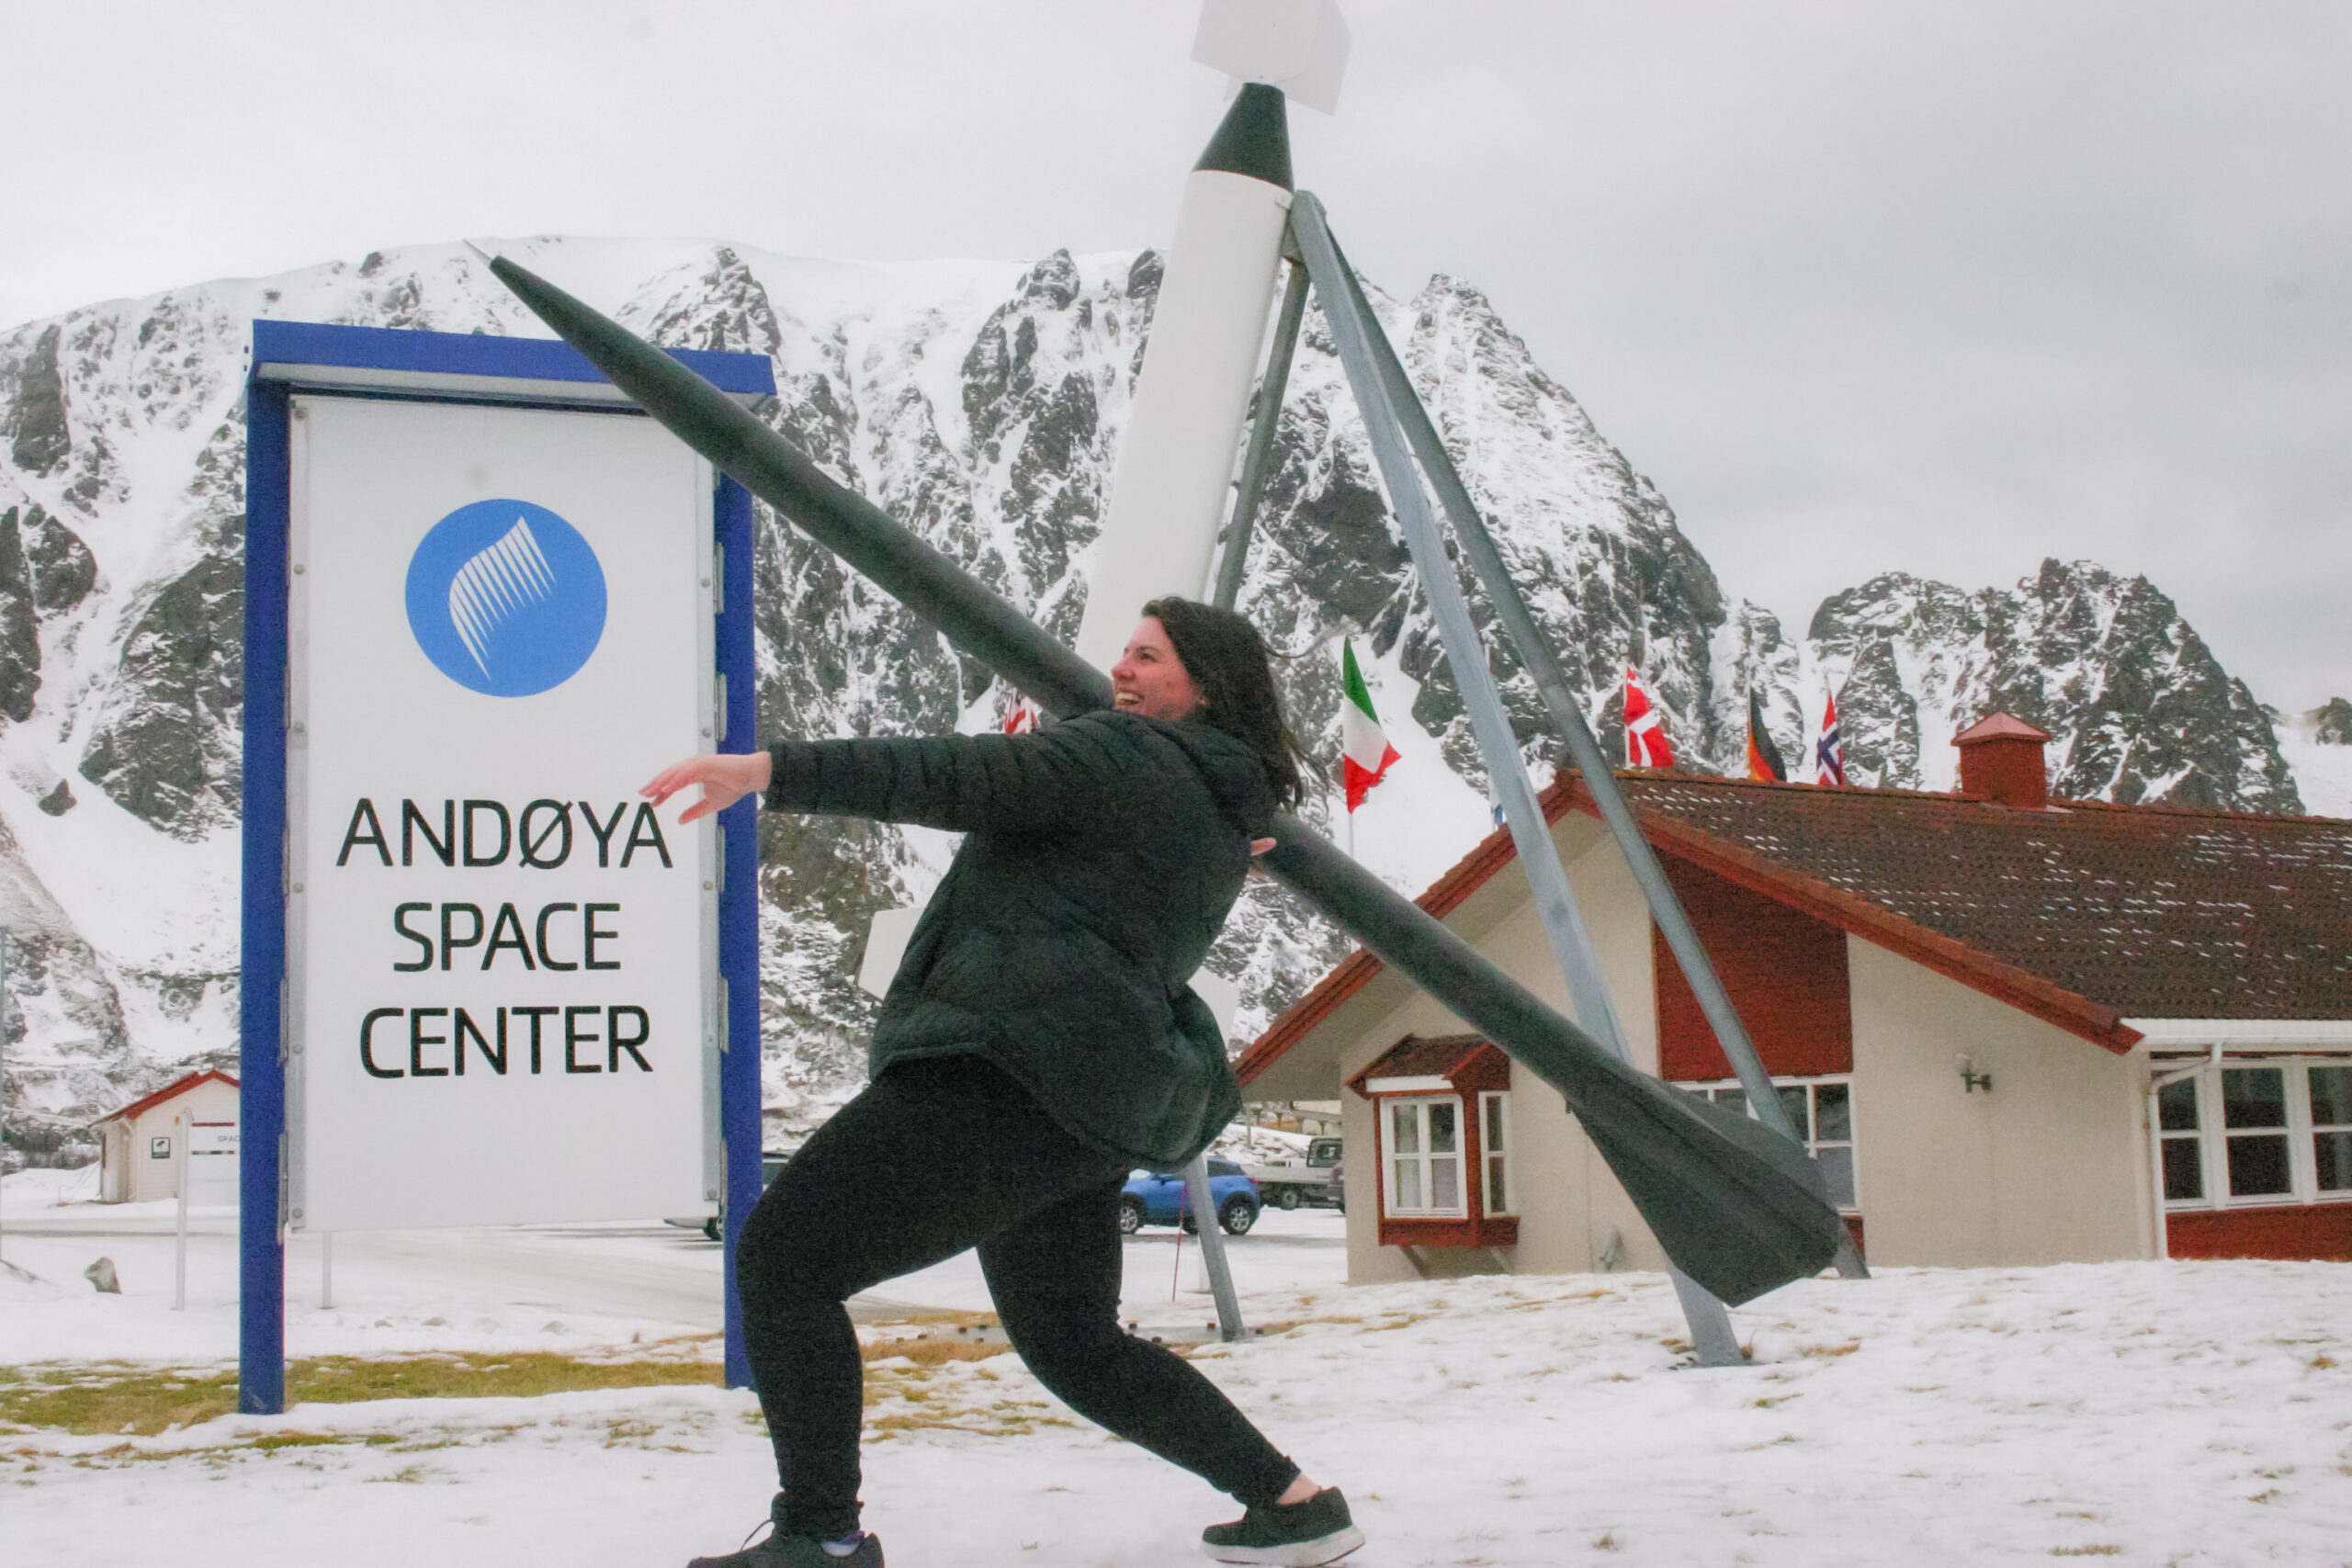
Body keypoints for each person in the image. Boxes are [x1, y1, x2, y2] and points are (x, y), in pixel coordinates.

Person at [642, 599, 1363, 1568]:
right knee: (1075, 1343)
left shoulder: (1122, 755)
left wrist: (770, 771)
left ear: (1205, 686)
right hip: (1089, 1101)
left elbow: (958, 773)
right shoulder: (1223, 809)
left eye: (1149, 658)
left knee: (784, 1262)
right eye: (1124, 653)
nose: (1122, 671)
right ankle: (1294, 1504)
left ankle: (822, 1535)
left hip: (1003, 1072)